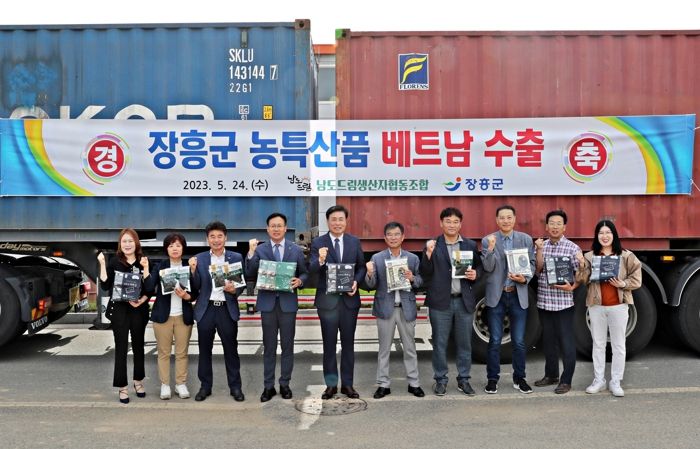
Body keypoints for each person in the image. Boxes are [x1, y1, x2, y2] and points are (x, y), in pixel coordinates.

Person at [245, 213, 309, 402]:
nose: (276, 229)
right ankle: (268, 386)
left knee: (287, 347)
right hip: (268, 304)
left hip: (288, 304)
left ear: (285, 228)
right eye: (272, 226)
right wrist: (250, 253)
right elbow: (250, 272)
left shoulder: (295, 249)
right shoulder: (260, 249)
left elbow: (305, 273)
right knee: (269, 347)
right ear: (267, 229)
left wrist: (300, 281)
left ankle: (285, 384)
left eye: (279, 225)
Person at [419, 207, 481, 396]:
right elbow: (425, 273)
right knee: (440, 343)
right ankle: (440, 380)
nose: (452, 225)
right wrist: (428, 255)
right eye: (448, 221)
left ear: (460, 224)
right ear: (441, 223)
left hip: (463, 302)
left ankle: (464, 379)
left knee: (465, 344)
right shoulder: (433, 245)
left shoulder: (469, 245)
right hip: (440, 302)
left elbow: (479, 268)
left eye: (455, 222)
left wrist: (475, 274)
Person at [576, 220, 642, 397]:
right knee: (598, 344)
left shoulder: (626, 256)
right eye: (601, 233)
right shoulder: (590, 256)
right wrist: (581, 265)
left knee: (618, 345)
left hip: (619, 306)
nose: (604, 236)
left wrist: (623, 284)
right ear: (596, 236)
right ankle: (599, 380)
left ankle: (616, 381)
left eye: (608, 232)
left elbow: (637, 279)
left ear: (614, 235)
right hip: (596, 306)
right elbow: (582, 280)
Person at [309, 205, 367, 399]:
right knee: (329, 345)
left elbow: (361, 267)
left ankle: (348, 385)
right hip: (328, 303)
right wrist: (320, 259)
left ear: (346, 221)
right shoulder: (319, 242)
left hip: (349, 302)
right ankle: (331, 386)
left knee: (348, 345)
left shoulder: (354, 241)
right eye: (333, 219)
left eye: (341, 219)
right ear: (328, 221)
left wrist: (356, 282)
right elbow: (311, 270)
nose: (337, 223)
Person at [365, 221, 424, 399]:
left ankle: (414, 383)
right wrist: (369, 273)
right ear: (385, 238)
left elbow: (421, 282)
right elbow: (371, 285)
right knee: (384, 349)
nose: (393, 237)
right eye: (389, 235)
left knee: (410, 348)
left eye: (396, 234)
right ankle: (383, 384)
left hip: (406, 308)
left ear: (403, 237)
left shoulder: (412, 259)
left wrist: (412, 278)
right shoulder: (377, 258)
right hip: (385, 309)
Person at [481, 205, 535, 395]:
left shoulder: (525, 239)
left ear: (514, 219)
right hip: (497, 295)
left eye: (509, 217)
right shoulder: (488, 239)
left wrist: (524, 278)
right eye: (502, 218)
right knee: (495, 340)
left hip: (518, 294)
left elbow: (532, 264)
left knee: (519, 341)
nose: (505, 221)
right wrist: (490, 249)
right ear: (497, 220)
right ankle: (492, 379)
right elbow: (487, 268)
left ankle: (519, 379)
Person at [190, 221, 245, 402]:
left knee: (231, 349)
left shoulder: (235, 257)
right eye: (212, 236)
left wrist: (234, 290)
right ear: (207, 239)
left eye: (219, 236)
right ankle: (205, 387)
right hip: (206, 309)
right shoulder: (200, 258)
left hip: (226, 309)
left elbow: (241, 284)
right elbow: (196, 286)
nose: (216, 240)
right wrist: (193, 271)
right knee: (204, 350)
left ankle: (235, 387)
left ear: (225, 238)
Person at [97, 228, 150, 404]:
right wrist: (102, 264)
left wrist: (142, 300)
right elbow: (105, 286)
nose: (127, 244)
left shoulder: (143, 261)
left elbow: (150, 288)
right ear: (120, 244)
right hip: (120, 311)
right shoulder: (115, 262)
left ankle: (138, 381)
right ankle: (122, 387)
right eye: (124, 241)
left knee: (139, 346)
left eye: (130, 241)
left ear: (136, 243)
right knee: (121, 349)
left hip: (138, 310)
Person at [533, 210, 582, 394]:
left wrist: (573, 286)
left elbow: (580, 274)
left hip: (563, 304)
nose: (555, 226)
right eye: (551, 223)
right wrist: (538, 250)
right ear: (546, 227)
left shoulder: (572, 248)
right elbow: (538, 270)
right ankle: (551, 375)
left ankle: (566, 380)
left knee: (566, 343)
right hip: (545, 302)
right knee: (548, 342)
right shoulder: (542, 245)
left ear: (564, 227)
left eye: (558, 223)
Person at [144, 233, 195, 400]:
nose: (175, 249)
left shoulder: (188, 266)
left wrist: (187, 296)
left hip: (183, 316)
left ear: (183, 248)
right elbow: (149, 287)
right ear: (166, 249)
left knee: (182, 353)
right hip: (163, 316)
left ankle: (181, 384)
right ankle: (165, 385)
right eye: (171, 245)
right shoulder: (160, 266)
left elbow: (195, 291)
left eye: (178, 245)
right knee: (163, 353)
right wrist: (146, 268)